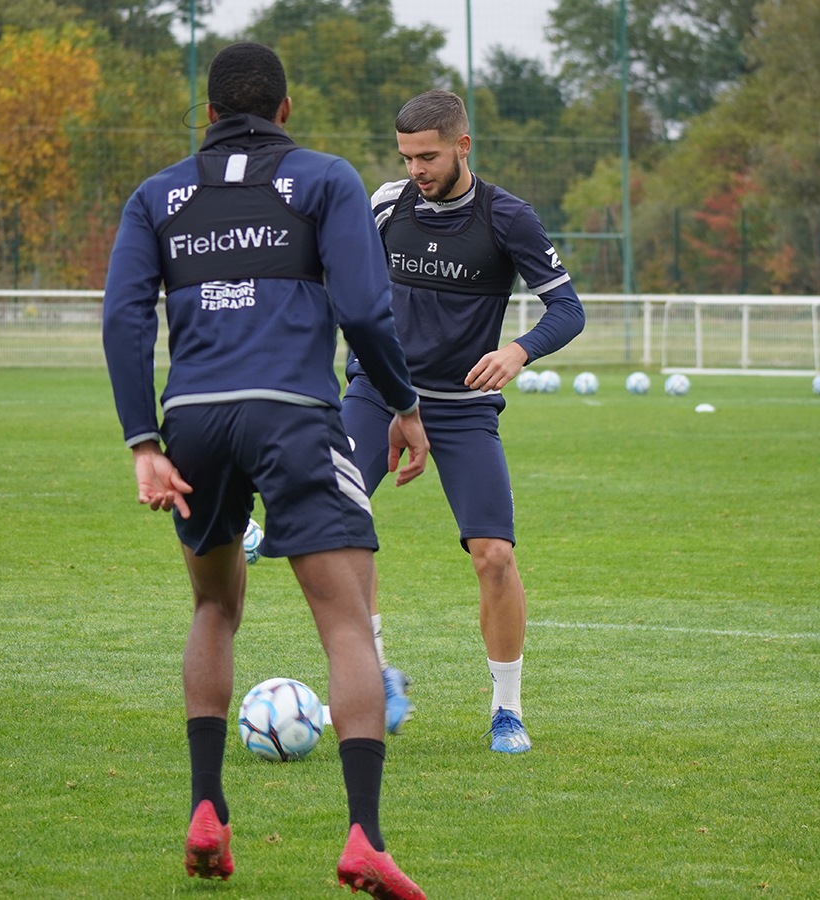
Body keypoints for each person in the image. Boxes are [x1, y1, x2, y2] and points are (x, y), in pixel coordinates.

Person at [102, 42, 429, 899]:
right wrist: (402, 405)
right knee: (348, 624)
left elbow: (125, 322)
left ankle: (207, 811)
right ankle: (364, 836)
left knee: (214, 604)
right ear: (285, 112)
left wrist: (145, 443)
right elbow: (362, 307)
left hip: (196, 425)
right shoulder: (325, 180)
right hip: (293, 417)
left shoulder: (155, 197)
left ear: (208, 115)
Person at [341, 90, 585, 754]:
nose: (417, 169)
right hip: (377, 392)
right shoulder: (385, 204)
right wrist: (387, 397)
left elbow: (568, 309)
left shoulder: (508, 218)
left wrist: (517, 350)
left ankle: (507, 709)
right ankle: (379, 675)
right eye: (407, 157)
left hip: (462, 408)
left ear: (463, 146)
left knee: (496, 558)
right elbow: (350, 296)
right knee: (341, 529)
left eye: (429, 155)